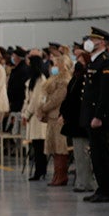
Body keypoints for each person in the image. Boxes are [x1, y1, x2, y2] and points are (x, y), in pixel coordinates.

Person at [79, 28, 109, 203]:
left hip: (99, 117)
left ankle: (108, 190)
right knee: (95, 155)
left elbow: (104, 94)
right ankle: (101, 188)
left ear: (102, 42)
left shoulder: (106, 63)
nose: (89, 41)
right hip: (90, 115)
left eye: (93, 39)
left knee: (102, 154)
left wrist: (98, 116)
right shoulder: (94, 62)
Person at [39, 51, 71, 186]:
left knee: (60, 148)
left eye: (57, 63)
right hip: (51, 117)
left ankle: (62, 175)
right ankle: (56, 174)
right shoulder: (53, 79)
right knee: (54, 149)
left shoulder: (64, 81)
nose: (54, 66)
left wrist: (43, 108)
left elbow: (57, 99)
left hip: (58, 117)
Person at [21, 50, 48, 180]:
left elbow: (36, 100)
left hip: (37, 116)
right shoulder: (33, 79)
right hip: (32, 117)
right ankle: (39, 170)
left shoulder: (41, 79)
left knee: (39, 146)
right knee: (36, 146)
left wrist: (27, 114)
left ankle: (40, 170)